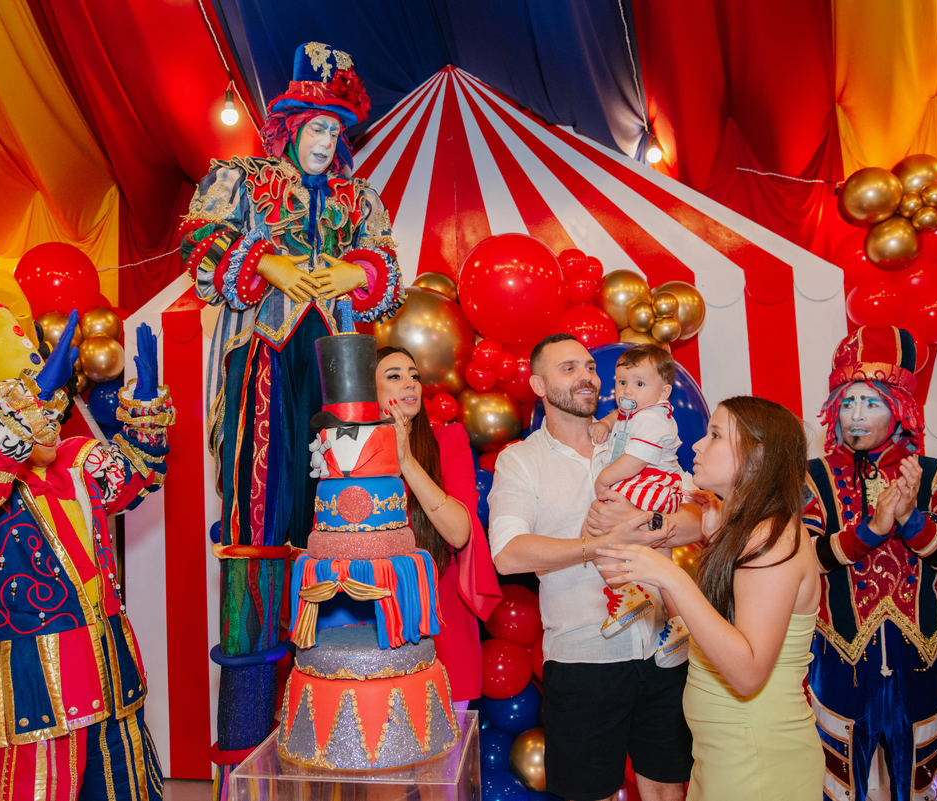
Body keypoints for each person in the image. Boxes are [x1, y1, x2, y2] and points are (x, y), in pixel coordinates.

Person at [180, 41, 403, 761]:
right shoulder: (240, 178)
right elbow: (199, 243)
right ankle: (245, 733)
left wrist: (354, 272)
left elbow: (387, 263)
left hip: (337, 363)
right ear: (288, 125)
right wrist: (263, 260)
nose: (324, 140)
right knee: (255, 516)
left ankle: (337, 696)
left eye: (335, 130)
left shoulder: (356, 196)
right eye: (315, 126)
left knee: (343, 511)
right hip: (265, 357)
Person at [0, 308, 173, 800]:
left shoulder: (74, 460)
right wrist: (27, 412)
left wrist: (147, 405)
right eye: (33, 407)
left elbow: (136, 477)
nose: (48, 420)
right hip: (25, 696)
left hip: (110, 680)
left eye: (53, 404)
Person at [488, 333, 693, 801]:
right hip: (585, 658)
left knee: (668, 787)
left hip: (666, 652)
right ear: (538, 385)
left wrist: (648, 520)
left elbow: (697, 519)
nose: (587, 376)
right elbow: (509, 552)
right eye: (569, 369)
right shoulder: (521, 460)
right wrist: (597, 544)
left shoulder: (636, 435)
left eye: (589, 367)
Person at [595, 396, 823, 801]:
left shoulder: (771, 540)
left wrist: (670, 576)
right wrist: (652, 569)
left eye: (715, 435)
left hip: (756, 759)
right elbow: (712, 627)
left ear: (758, 457)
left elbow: (748, 672)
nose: (697, 446)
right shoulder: (745, 530)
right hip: (721, 754)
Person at [803, 327, 937, 801]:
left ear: (901, 408)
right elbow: (802, 560)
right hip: (837, 660)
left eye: (871, 402)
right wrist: (870, 532)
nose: (856, 415)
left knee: (919, 783)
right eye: (846, 403)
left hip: (919, 659)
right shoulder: (810, 479)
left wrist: (912, 523)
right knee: (835, 786)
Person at [374, 346, 500, 708]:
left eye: (414, 375)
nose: (410, 383)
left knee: (448, 756)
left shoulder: (450, 439)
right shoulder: (348, 447)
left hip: (442, 615)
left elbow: (459, 532)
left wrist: (406, 461)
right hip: (374, 614)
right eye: (394, 376)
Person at [588, 345, 688, 663]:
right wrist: (605, 422)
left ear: (665, 392)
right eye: (621, 382)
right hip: (658, 488)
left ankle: (629, 593)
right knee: (662, 560)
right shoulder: (640, 413)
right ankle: (680, 622)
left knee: (596, 528)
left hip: (651, 484)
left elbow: (633, 461)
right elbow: (620, 415)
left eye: (639, 384)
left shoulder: (651, 421)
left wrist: (604, 479)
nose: (627, 390)